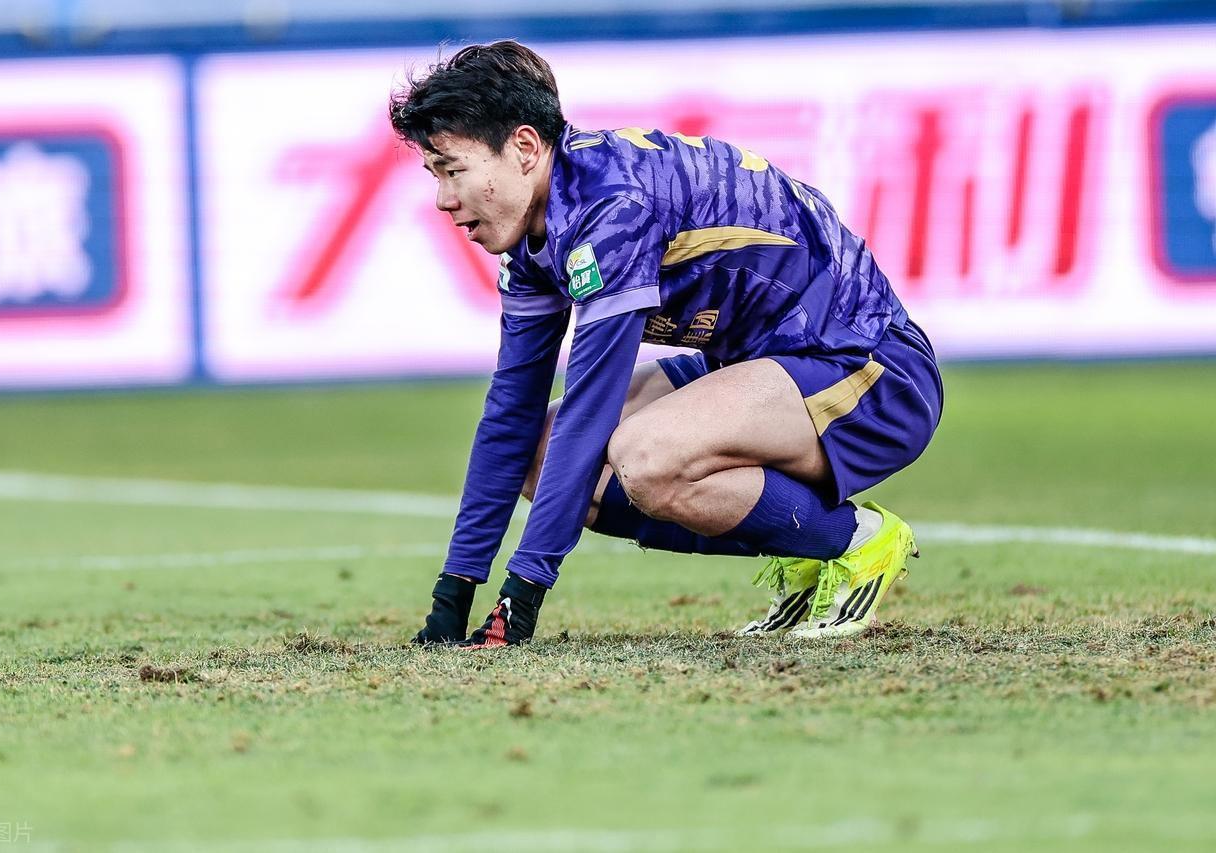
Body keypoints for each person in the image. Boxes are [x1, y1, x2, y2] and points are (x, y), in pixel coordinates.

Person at [388, 40, 943, 648]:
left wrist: (523, 592)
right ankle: (805, 541)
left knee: (647, 457)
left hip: (871, 373)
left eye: (454, 170)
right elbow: (510, 414)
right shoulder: (538, 232)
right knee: (535, 454)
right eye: (434, 175)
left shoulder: (613, 208)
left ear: (524, 148)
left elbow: (590, 409)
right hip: (764, 367)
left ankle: (853, 541)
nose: (443, 199)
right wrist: (454, 592)